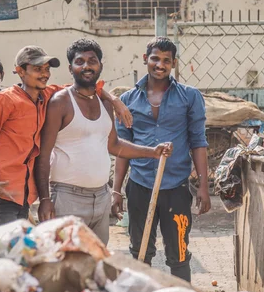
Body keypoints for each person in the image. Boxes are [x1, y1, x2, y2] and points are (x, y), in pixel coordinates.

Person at [0, 45, 134, 227]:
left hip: (25, 193)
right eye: (37, 69)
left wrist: (114, 101)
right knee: (7, 248)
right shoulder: (4, 100)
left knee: (20, 250)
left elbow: (86, 87)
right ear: (20, 71)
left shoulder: (47, 94)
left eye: (46, 69)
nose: (44, 74)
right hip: (0, 193)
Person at [35, 39, 172, 245]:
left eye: (92, 61)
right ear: (70, 68)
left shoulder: (106, 104)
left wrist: (152, 151)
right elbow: (43, 156)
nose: (86, 66)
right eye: (79, 61)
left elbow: (114, 145)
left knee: (97, 264)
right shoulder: (60, 102)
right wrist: (45, 199)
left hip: (101, 198)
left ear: (100, 65)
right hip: (66, 198)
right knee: (66, 266)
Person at [111, 37, 211, 282]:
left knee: (178, 254)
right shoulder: (127, 101)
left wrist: (204, 187)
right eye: (155, 58)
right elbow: (122, 148)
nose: (160, 64)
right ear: (146, 59)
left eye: (167, 60)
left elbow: (198, 141)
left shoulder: (189, 97)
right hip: (140, 186)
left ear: (173, 64)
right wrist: (116, 190)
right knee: (140, 252)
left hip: (176, 187)